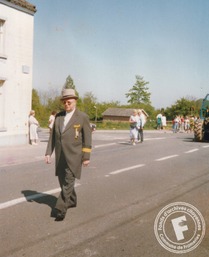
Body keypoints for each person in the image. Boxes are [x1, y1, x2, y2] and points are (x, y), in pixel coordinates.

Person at [45, 88, 92, 221]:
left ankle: (60, 209)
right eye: (65, 102)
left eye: (69, 102)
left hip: (75, 155)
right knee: (62, 181)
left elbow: (87, 139)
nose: (67, 104)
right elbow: (53, 137)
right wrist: (48, 152)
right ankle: (71, 200)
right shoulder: (59, 117)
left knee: (68, 182)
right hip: (60, 156)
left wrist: (86, 157)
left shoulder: (82, 117)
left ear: (75, 101)